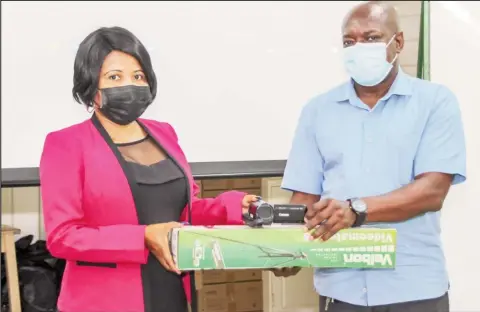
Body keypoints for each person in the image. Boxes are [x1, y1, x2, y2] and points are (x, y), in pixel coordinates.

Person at [39, 26, 258, 312]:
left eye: (138, 76)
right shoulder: (65, 144)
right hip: (104, 301)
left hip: (170, 289)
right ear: (91, 86)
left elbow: (184, 211)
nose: (129, 85)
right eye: (114, 77)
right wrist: (144, 236)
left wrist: (232, 207)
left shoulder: (164, 133)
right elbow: (63, 236)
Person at [280, 1, 466, 312]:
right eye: (349, 42)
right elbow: (304, 197)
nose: (358, 48)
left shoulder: (435, 102)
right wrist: (284, 247)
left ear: (399, 43)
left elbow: (432, 191)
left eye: (371, 38)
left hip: (414, 287)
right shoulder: (317, 111)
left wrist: (356, 210)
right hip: (341, 289)